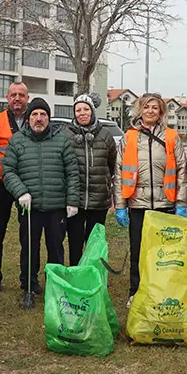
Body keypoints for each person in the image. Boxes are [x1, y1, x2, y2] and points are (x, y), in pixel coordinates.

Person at [1, 97, 82, 309]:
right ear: (28, 119)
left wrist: (72, 201)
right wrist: (21, 192)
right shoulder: (17, 141)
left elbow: (72, 172)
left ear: (48, 118)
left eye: (43, 114)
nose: (39, 118)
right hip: (30, 208)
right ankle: (29, 287)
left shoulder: (62, 140)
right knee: (29, 248)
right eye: (35, 114)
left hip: (56, 207)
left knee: (56, 248)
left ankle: (56, 287)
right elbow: (8, 171)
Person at [114, 92, 187, 302]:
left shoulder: (172, 137)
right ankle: (135, 292)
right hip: (137, 205)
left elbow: (182, 171)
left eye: (155, 108)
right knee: (138, 251)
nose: (150, 111)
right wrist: (120, 206)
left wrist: (181, 203)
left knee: (164, 254)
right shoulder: (129, 137)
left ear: (161, 112)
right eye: (146, 107)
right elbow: (119, 172)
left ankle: (162, 292)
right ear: (140, 110)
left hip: (165, 205)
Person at [0, 81, 29, 293]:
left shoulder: (35, 119)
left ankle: (27, 277)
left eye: (21, 95)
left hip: (27, 184)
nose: (17, 99)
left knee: (27, 232)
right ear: (7, 97)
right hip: (2, 183)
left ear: (27, 98)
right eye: (13, 95)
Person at [65, 93, 117, 265]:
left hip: (99, 201)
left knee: (94, 243)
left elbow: (112, 164)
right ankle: (76, 273)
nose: (82, 113)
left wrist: (106, 185)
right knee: (75, 241)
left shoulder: (106, 136)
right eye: (78, 110)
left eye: (86, 109)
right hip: (75, 201)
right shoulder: (66, 135)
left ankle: (93, 274)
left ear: (93, 111)